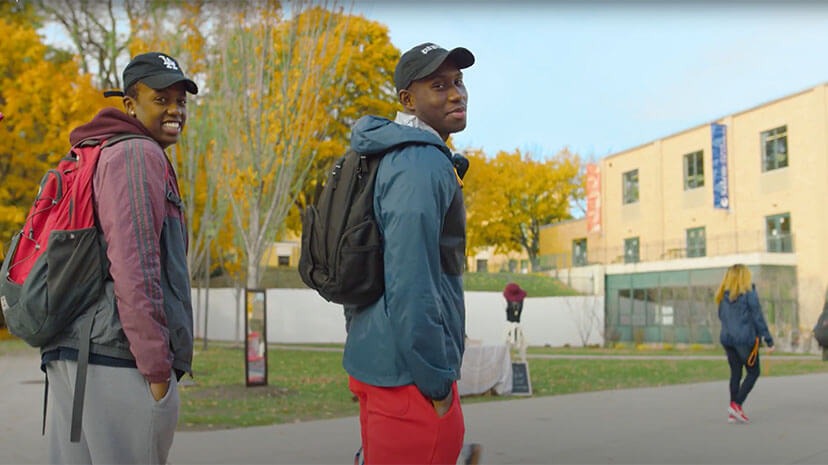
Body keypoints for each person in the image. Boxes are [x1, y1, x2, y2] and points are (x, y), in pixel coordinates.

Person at [41, 52, 196, 463]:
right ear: (130, 104)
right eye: (160, 99)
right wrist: (158, 371)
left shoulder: (99, 150)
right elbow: (135, 267)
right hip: (114, 357)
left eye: (180, 101)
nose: (175, 110)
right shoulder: (136, 154)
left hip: (76, 350)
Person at [342, 42, 478, 465]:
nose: (456, 93)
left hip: (378, 363)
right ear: (407, 100)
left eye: (458, 82)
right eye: (439, 85)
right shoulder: (420, 162)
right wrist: (436, 384)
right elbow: (411, 280)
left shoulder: (385, 156)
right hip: (411, 383)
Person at [715, 264, 774, 424]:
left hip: (727, 340)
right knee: (754, 372)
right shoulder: (749, 294)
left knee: (735, 374)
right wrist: (768, 339)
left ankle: (733, 411)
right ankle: (736, 405)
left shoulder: (722, 296)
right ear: (744, 277)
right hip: (744, 340)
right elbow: (758, 317)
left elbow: (722, 317)